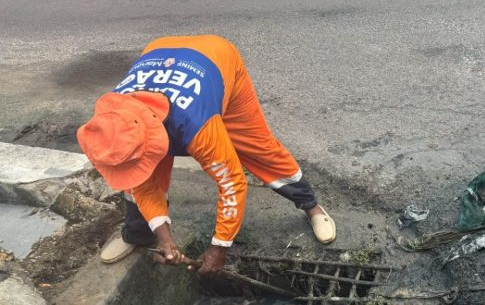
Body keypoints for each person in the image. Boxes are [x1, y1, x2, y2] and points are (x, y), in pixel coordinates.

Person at [77, 35, 336, 274]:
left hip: (216, 59)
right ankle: (138, 235)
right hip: (159, 52)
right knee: (136, 177)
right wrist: (165, 239)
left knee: (258, 147)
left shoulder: (197, 126)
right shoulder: (114, 118)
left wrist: (219, 246)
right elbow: (142, 186)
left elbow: (232, 182)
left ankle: (311, 207)